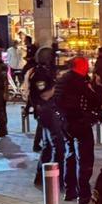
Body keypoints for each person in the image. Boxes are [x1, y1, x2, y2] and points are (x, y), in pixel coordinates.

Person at [56, 57, 102, 204]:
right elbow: (94, 99)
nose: (88, 67)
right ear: (80, 66)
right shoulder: (80, 81)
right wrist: (98, 86)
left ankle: (69, 191)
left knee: (70, 156)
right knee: (85, 159)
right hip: (80, 123)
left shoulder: (63, 79)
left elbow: (57, 100)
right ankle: (83, 194)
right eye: (86, 64)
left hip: (65, 123)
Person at [26, 48, 63, 185]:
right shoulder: (39, 74)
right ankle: (53, 178)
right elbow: (44, 94)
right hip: (46, 112)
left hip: (46, 111)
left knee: (47, 146)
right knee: (57, 145)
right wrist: (57, 86)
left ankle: (41, 177)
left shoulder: (44, 72)